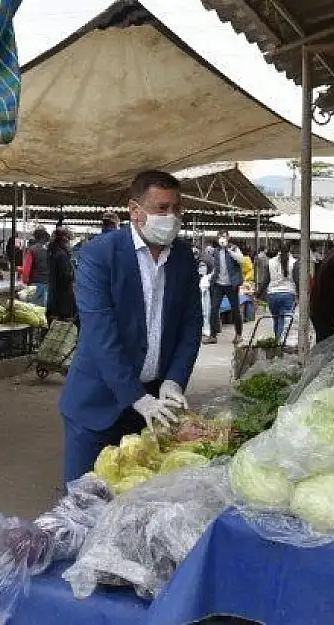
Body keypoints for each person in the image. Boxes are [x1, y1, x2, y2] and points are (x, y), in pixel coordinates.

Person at [58, 170, 202, 482]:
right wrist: (135, 396)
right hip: (96, 403)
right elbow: (100, 335)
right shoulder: (100, 254)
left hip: (153, 409)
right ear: (134, 211)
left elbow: (192, 324)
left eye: (177, 209)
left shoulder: (183, 257)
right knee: (85, 505)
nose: (172, 217)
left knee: (136, 503)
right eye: (161, 209)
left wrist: (174, 380)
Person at [205, 230, 244, 344]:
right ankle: (213, 335)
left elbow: (241, 260)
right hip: (219, 284)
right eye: (220, 237)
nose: (222, 239)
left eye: (224, 237)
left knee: (235, 309)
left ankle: (238, 334)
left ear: (228, 238)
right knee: (213, 309)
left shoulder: (234, 248)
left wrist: (229, 250)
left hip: (231, 285)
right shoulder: (216, 251)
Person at [258, 244, 298, 340]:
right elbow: (297, 280)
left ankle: (277, 341)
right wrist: (300, 296)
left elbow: (265, 281)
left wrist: (258, 294)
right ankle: (280, 344)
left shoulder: (270, 262)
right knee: (283, 322)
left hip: (272, 295)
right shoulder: (294, 263)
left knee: (276, 320)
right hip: (288, 295)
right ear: (290, 250)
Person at [46, 225, 77, 323]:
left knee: (53, 325)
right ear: (64, 240)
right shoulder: (62, 255)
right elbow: (65, 277)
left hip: (54, 295)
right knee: (63, 328)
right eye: (69, 240)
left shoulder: (52, 252)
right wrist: (74, 274)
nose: (70, 244)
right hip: (63, 299)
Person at [22, 227, 51, 306]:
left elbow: (27, 268)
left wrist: (25, 280)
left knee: (34, 307)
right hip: (48, 282)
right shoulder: (50, 250)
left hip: (35, 282)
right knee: (45, 306)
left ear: (35, 237)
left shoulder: (32, 250)